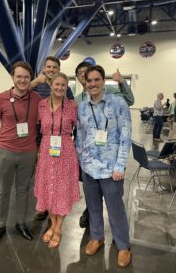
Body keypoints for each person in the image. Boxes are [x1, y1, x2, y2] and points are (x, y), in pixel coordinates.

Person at [76, 65, 132, 267]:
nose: (92, 84)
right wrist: (82, 161)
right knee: (93, 206)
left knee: (115, 209)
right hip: (89, 167)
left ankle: (124, 246)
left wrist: (120, 165)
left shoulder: (118, 103)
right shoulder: (82, 107)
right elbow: (80, 137)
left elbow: (125, 136)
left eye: (96, 80)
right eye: (89, 80)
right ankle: (97, 237)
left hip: (111, 169)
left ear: (103, 81)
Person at [0, 61, 41, 249]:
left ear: (30, 79)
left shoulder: (36, 99)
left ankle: (20, 223)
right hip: (5, 152)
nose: (22, 80)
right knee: (3, 191)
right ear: (12, 77)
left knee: (23, 190)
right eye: (19, 76)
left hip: (28, 153)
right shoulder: (1, 98)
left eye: (26, 77)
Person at [34, 72, 79, 248]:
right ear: (51, 86)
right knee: (49, 189)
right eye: (57, 84)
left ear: (67, 87)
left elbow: (79, 130)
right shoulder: (42, 106)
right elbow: (38, 128)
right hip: (46, 150)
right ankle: (53, 225)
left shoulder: (72, 107)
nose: (60, 88)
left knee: (62, 190)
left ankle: (58, 229)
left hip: (66, 151)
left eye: (63, 85)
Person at [30, 56, 74, 221]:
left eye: (54, 67)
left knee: (59, 176)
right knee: (44, 175)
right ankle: (45, 206)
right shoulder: (37, 85)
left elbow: (70, 107)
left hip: (60, 139)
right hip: (41, 137)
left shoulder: (64, 87)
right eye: (48, 67)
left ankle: (56, 207)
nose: (51, 70)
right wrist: (35, 81)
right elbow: (22, 93)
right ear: (44, 68)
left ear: (58, 68)